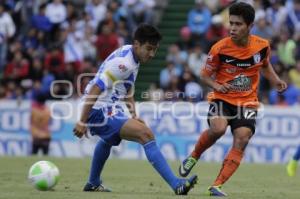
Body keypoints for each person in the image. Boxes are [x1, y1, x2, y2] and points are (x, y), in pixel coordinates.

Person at [73, 24, 198, 195]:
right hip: (97, 108)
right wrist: (82, 120)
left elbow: (127, 88)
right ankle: (177, 185)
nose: (152, 54)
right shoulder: (123, 64)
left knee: (108, 140)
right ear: (137, 44)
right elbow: (96, 88)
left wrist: (133, 114)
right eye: (149, 49)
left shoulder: (132, 55)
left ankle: (93, 182)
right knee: (145, 134)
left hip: (107, 106)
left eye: (155, 50)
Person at [178, 2, 287, 197]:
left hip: (248, 102)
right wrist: (217, 86)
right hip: (222, 98)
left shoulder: (262, 46)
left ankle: (216, 186)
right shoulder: (219, 48)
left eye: (238, 24)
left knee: (242, 138)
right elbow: (204, 75)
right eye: (231, 23)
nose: (233, 28)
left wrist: (276, 80)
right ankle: (194, 156)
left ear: (250, 26)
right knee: (218, 129)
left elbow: (265, 65)